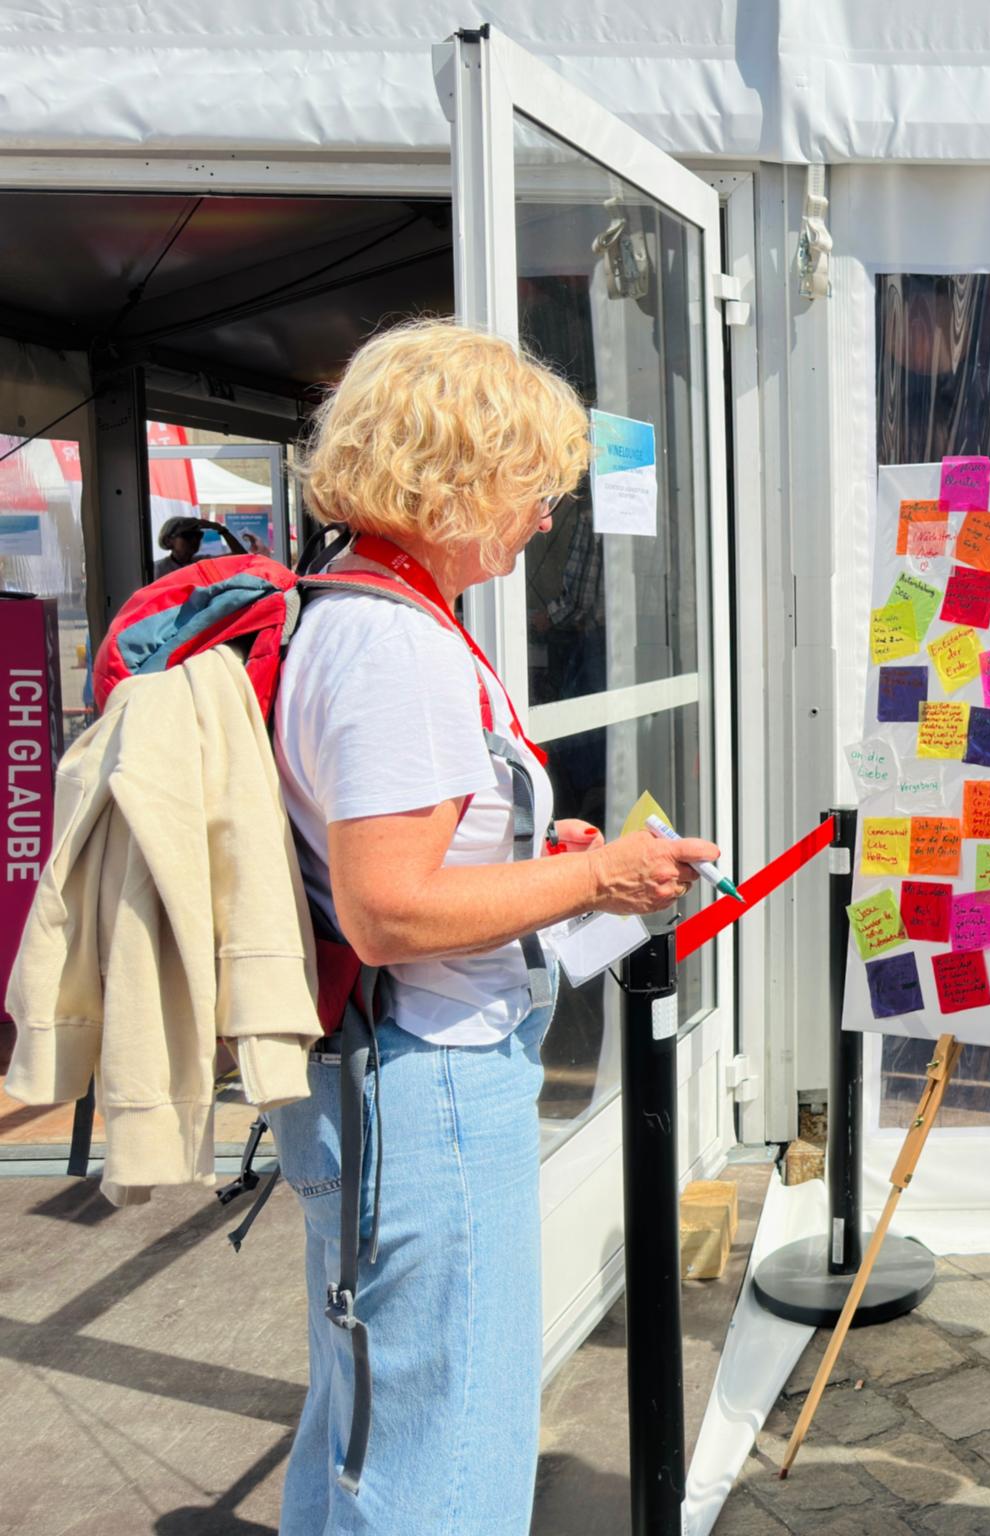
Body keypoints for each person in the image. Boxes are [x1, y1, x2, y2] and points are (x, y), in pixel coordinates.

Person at [270, 319, 718, 1533]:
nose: (547, 515)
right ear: (459, 474)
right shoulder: (397, 646)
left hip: (377, 1077)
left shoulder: (351, 608)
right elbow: (388, 908)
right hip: (429, 1086)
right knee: (447, 1463)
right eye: (536, 484)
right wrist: (594, 882)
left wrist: (541, 853)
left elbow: (397, 866)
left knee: (366, 1431)